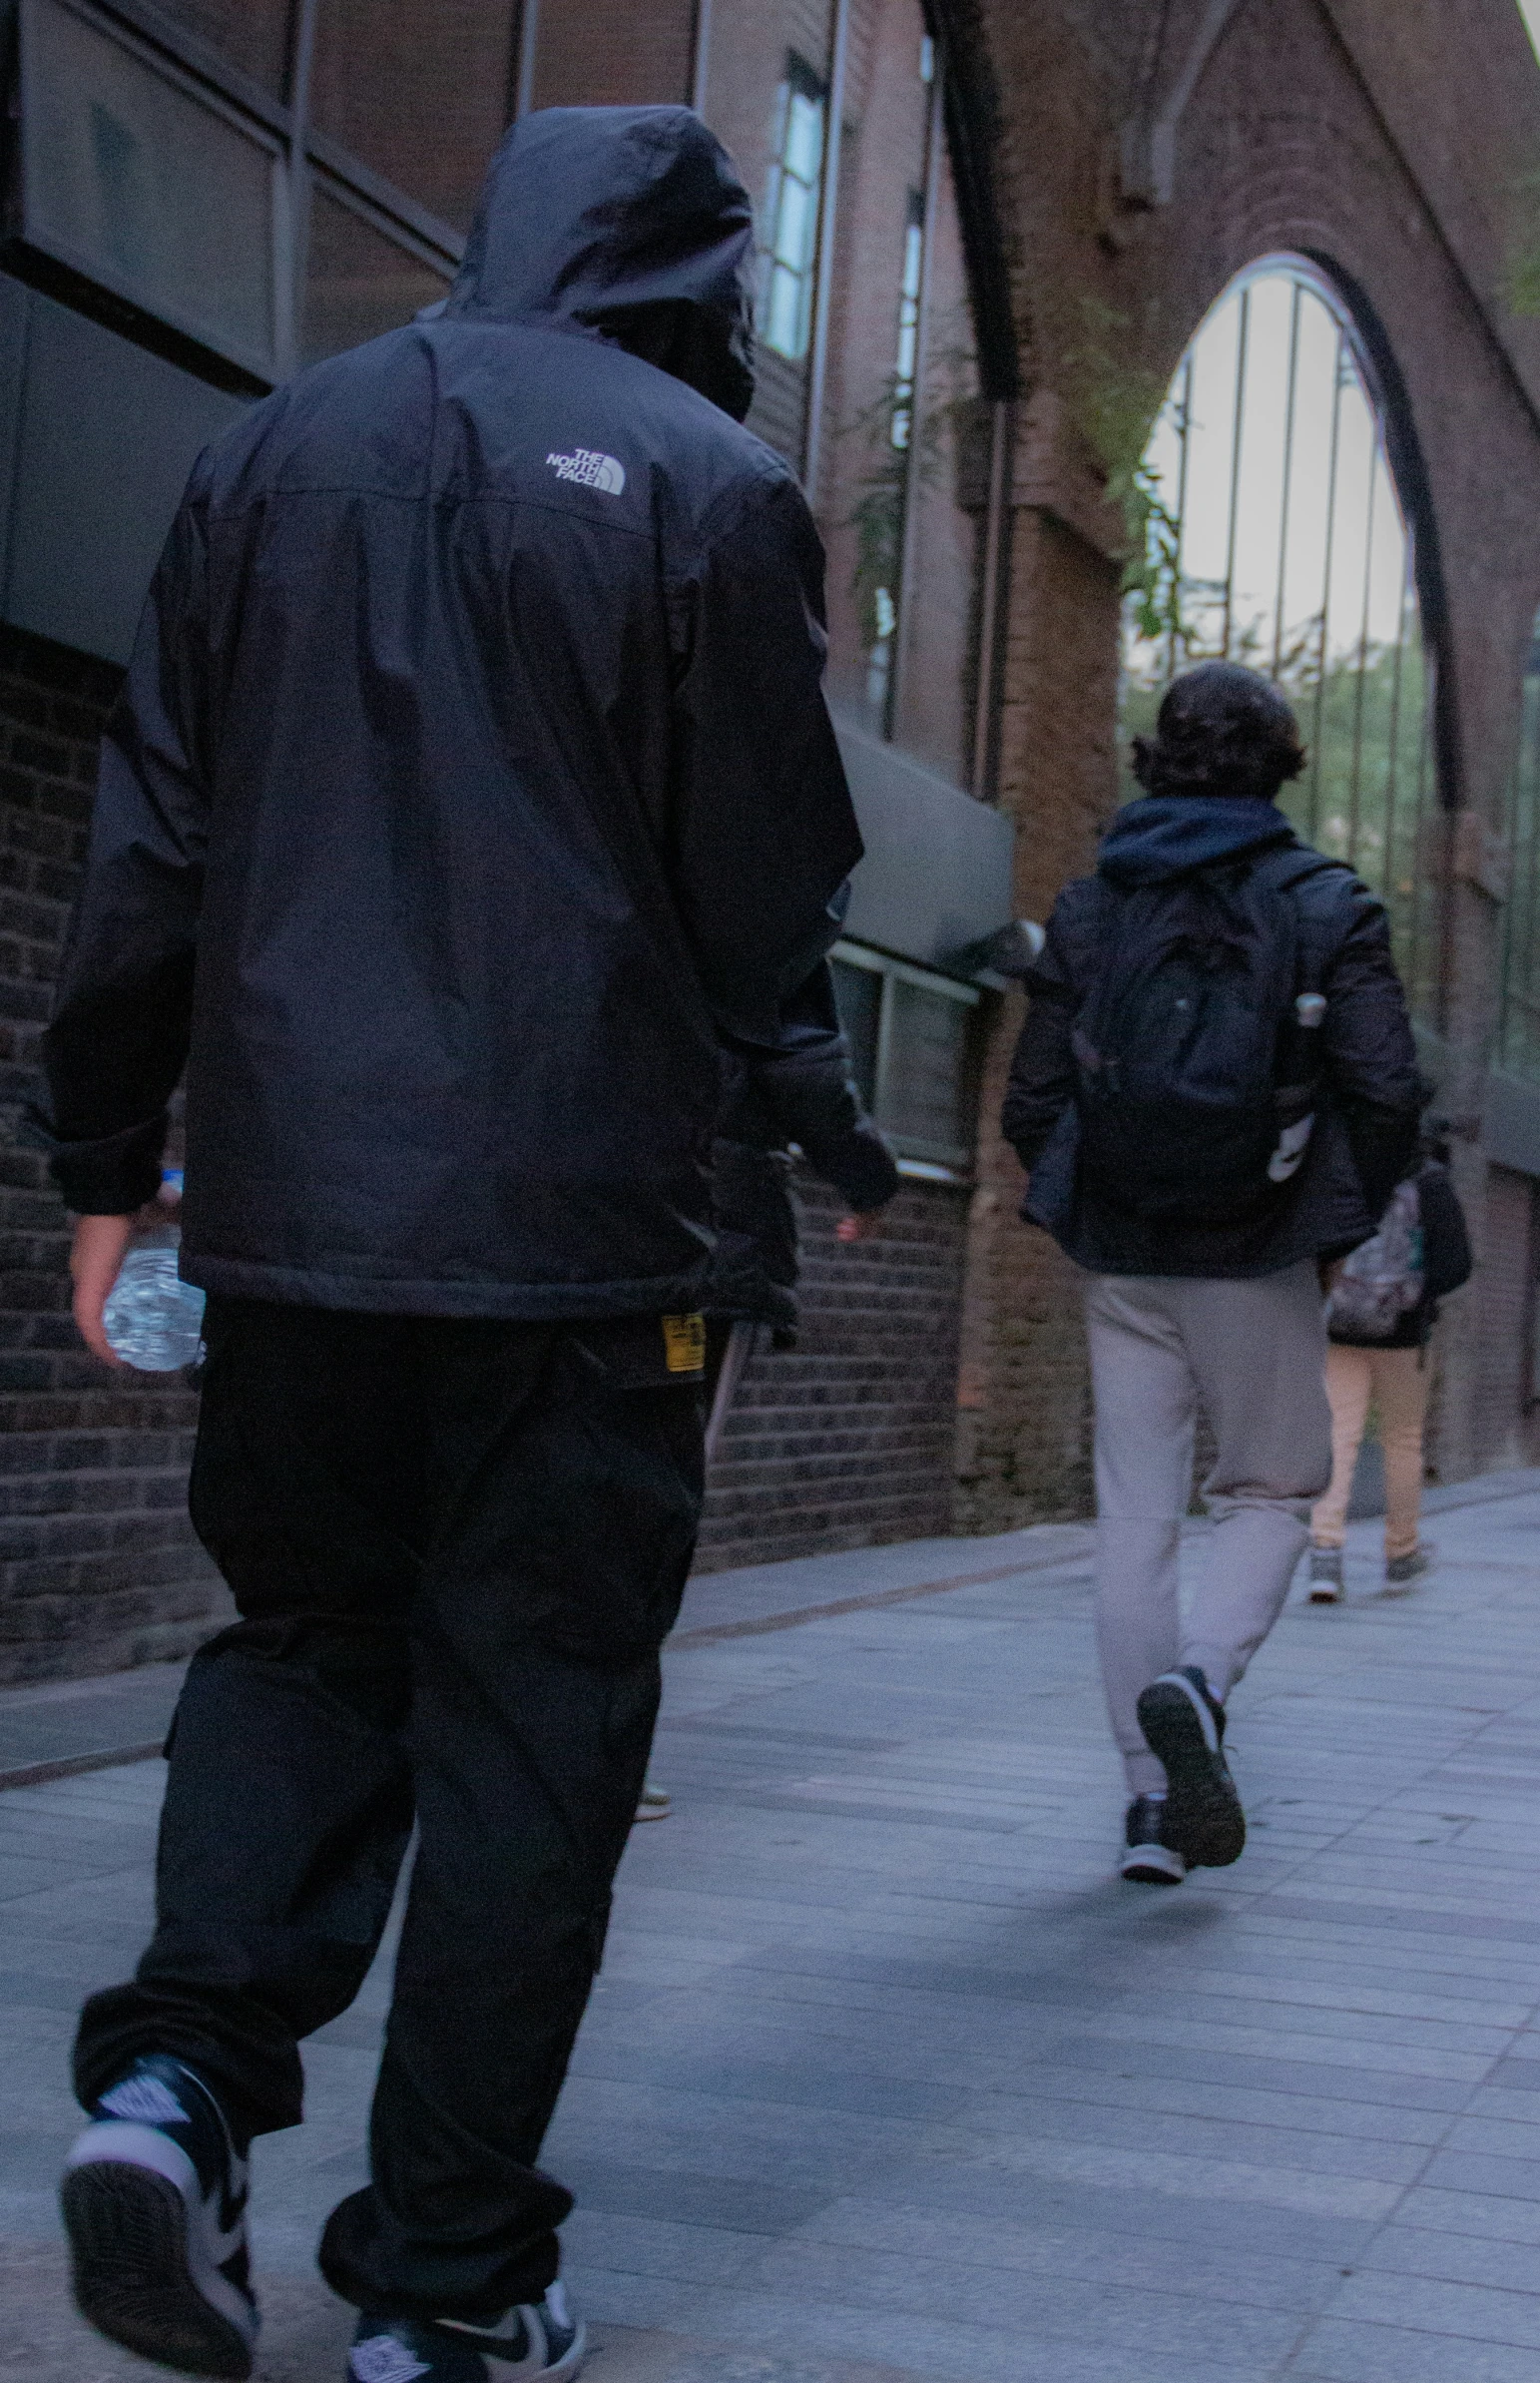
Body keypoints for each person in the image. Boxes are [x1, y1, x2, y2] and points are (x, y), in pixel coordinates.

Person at [31, 105, 862, 2383]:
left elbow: (152, 858)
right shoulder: (705, 490)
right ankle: (448, 2285)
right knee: (533, 1733)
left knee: (307, 1649)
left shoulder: (261, 460)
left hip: (296, 1222)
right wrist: (809, 1114)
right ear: (695, 280)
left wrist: (111, 1164)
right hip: (596, 1251)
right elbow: (763, 894)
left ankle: (175, 2081)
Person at [1002, 662, 1422, 1889]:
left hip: (1122, 1250)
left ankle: (1147, 1801)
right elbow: (1386, 1086)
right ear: (1280, 766)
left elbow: (1035, 1094)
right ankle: (1201, 1677)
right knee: (1273, 1488)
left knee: (1135, 1510)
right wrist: (1321, 1218)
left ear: (1155, 758)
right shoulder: (1325, 902)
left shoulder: (1090, 908)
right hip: (1258, 1244)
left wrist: (1087, 1202)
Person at [703, 957, 899, 1459]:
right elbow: (806, 1076)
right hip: (702, 1228)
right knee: (672, 1455)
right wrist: (868, 1182)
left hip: (524, 1225)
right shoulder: (762, 908)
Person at [1307, 1130, 1472, 1600]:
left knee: (1340, 1436)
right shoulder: (1431, 1182)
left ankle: (1325, 1555)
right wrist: (1414, 1300)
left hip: (1339, 1330)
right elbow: (1456, 1263)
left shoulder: (1344, 1165)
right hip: (1403, 1338)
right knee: (1401, 1442)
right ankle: (1401, 1556)